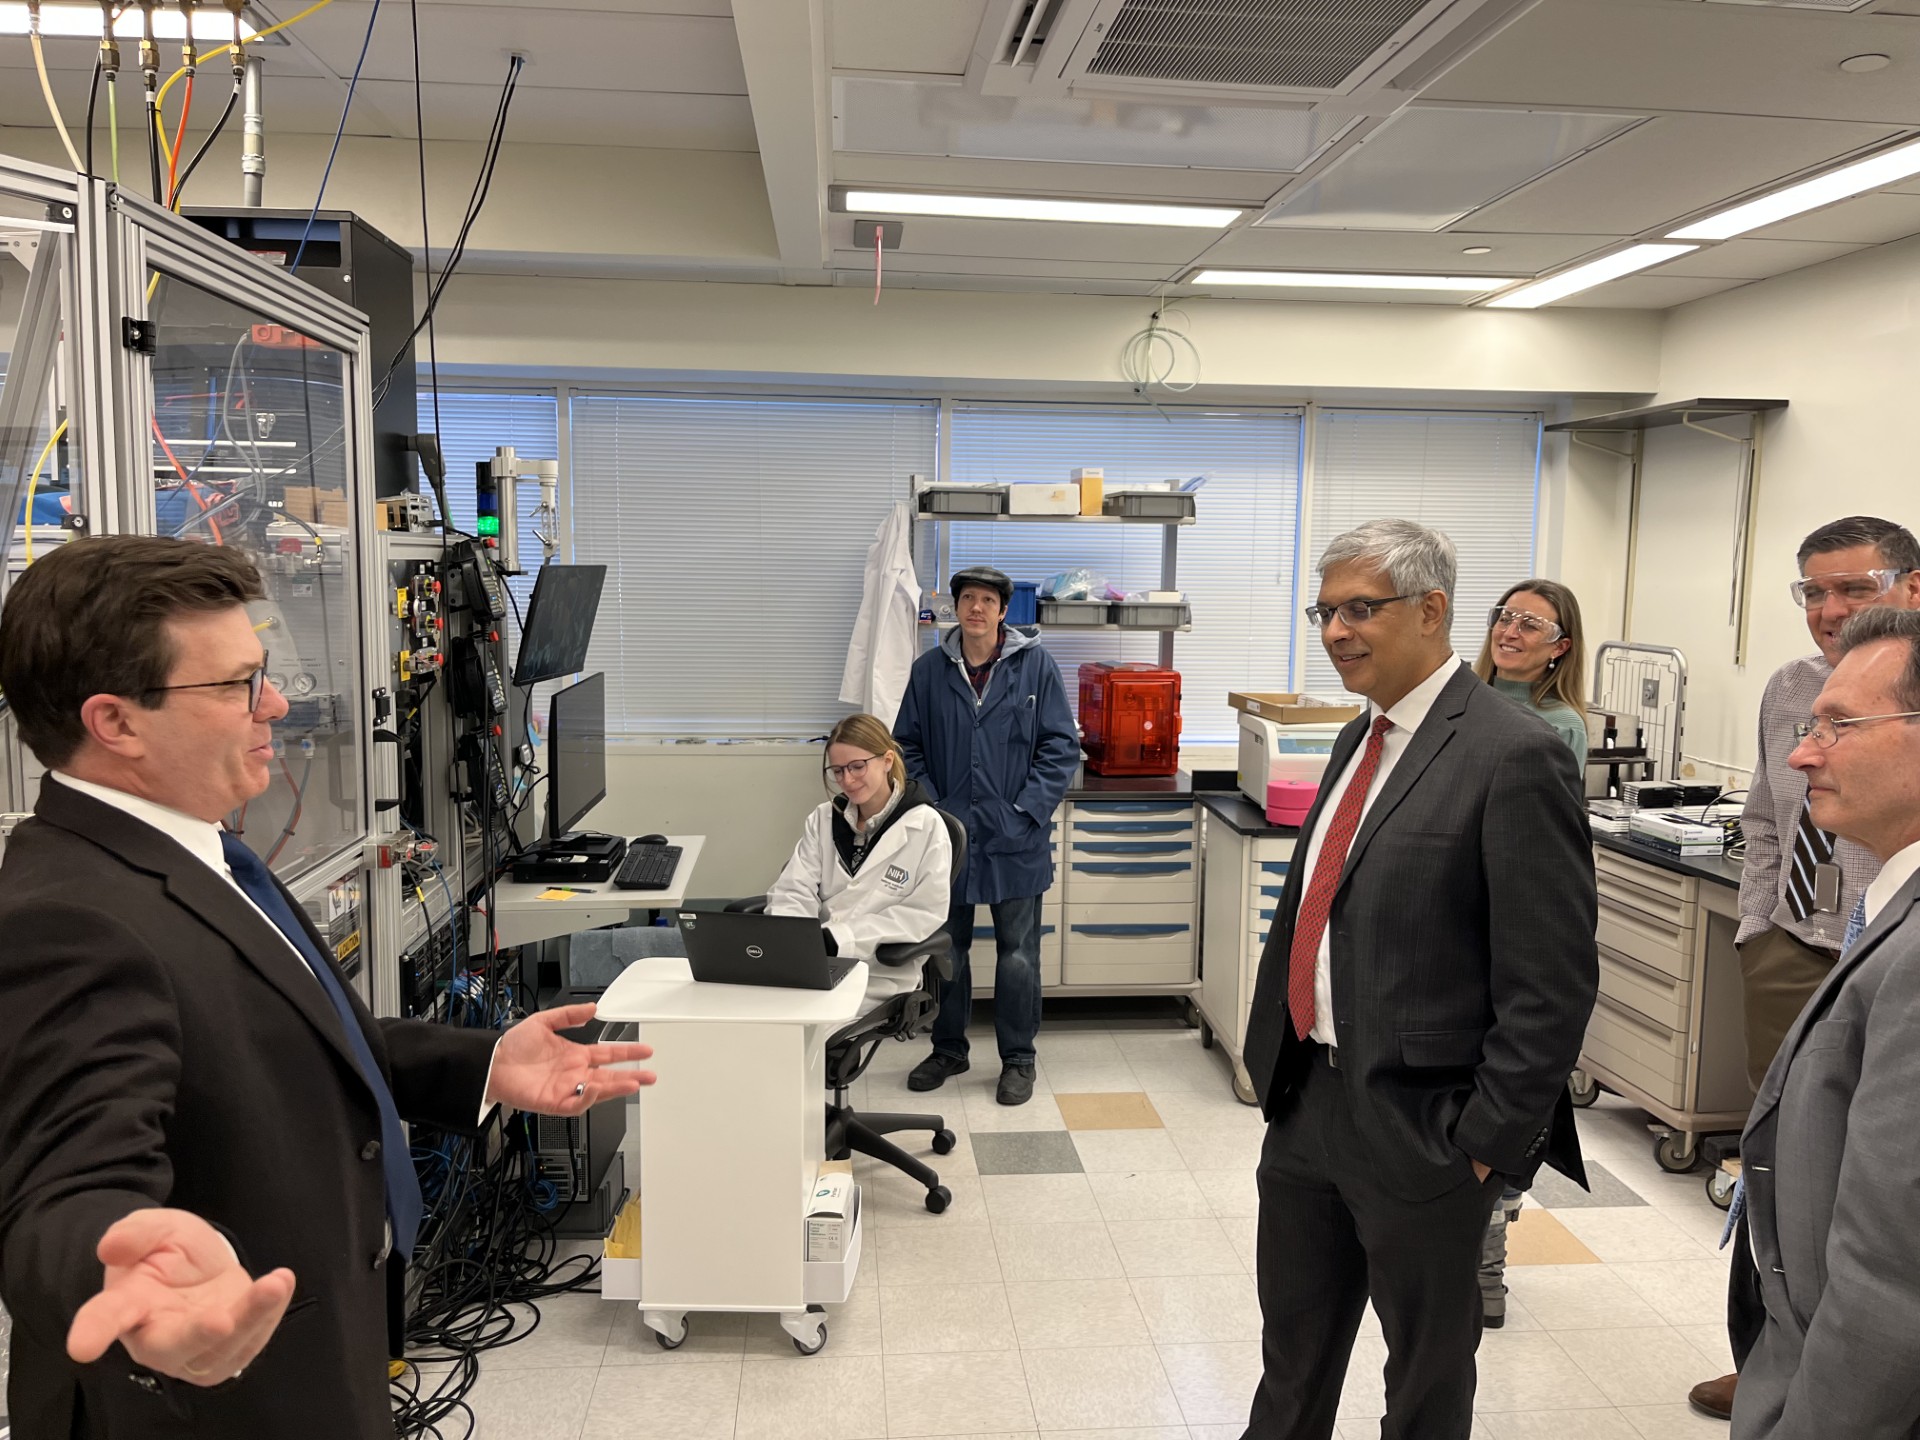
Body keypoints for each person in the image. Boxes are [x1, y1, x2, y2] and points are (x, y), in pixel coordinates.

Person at [0, 536, 656, 1440]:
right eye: (235, 686)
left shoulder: (199, 852)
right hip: (219, 1404)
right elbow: (65, 1186)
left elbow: (297, 1037)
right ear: (117, 722)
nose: (275, 704)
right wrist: (126, 1271)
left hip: (314, 1356)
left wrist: (488, 1060)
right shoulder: (66, 919)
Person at [1239, 519, 1597, 1440]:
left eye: (1362, 608)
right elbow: (1319, 914)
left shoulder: (1512, 753)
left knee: (1425, 1386)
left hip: (1426, 1127)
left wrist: (1482, 1144)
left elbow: (1550, 982)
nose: (1335, 631)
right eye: (1325, 611)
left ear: (1432, 610)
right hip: (1310, 1104)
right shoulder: (1359, 739)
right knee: (1291, 1365)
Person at [1688, 514, 1920, 1421]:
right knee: (1787, 1167)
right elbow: (1762, 819)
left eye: (1853, 589)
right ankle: (1770, 1349)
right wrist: (1757, 927)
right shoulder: (1789, 687)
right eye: (1813, 591)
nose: (1828, 610)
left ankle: (1823, 1372)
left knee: (1872, 1197)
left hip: (1879, 948)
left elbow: (1895, 1244)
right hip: (1797, 949)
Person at [893, 564, 1078, 1106]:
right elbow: (905, 746)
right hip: (946, 839)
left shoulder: (1036, 667)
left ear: (1003, 611)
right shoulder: (929, 670)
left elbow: (1060, 747)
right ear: (956, 609)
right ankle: (949, 1048)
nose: (977, 608)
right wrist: (933, 809)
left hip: (1015, 834)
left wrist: (1027, 810)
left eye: (987, 601)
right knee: (947, 949)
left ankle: (1018, 1059)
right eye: (967, 599)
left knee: (1018, 953)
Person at [1469, 578, 1590, 1329]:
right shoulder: (1461, 700)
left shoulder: (1558, 726)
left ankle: (1489, 1257)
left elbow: (1540, 853)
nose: (1510, 632)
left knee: (1511, 1092)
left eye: (1530, 624)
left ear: (1560, 646)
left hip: (1508, 927)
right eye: (1504, 617)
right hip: (1453, 923)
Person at [766, 712, 954, 1010]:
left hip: (878, 972)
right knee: (754, 1011)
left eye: (857, 767)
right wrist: (797, 939)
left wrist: (838, 938)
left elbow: (923, 914)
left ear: (887, 760)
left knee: (798, 1022)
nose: (847, 780)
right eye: (838, 771)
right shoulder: (824, 818)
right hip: (812, 963)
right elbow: (793, 889)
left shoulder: (925, 827)